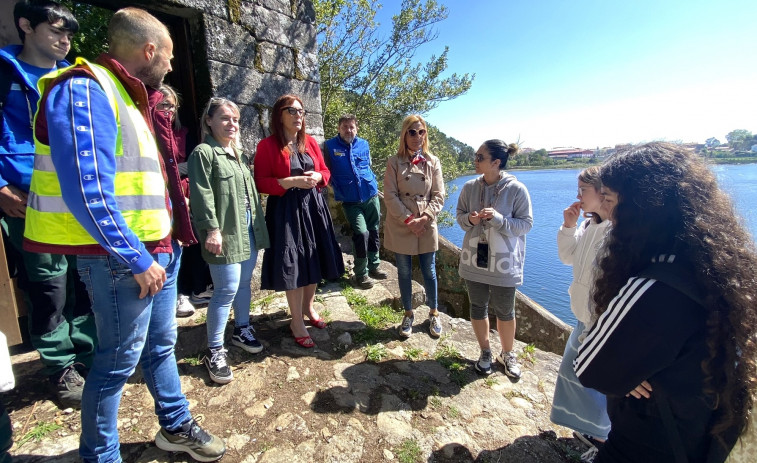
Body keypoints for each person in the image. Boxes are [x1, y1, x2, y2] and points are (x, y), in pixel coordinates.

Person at [24, 7, 225, 462]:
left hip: (157, 249)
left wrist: (165, 246)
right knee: (116, 362)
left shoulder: (131, 96)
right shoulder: (85, 88)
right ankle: (101, 455)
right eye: (169, 56)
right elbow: (87, 188)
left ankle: (175, 425)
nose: (173, 65)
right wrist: (136, 258)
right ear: (149, 50)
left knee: (161, 347)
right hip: (124, 259)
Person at [574, 142, 757, 462]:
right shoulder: (714, 269)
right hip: (696, 435)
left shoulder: (655, 286)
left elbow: (590, 367)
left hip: (643, 443)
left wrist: (623, 370)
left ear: (644, 208)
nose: (608, 213)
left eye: (612, 200)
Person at [0, 0, 95, 408]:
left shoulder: (74, 76)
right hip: (27, 199)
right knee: (49, 285)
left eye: (69, 34)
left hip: (76, 196)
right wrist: (0, 185)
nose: (65, 40)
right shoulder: (3, 73)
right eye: (56, 30)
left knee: (84, 278)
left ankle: (90, 353)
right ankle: (60, 368)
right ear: (25, 25)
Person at [189, 97, 270, 384]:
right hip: (224, 234)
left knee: (244, 284)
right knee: (225, 290)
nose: (232, 123)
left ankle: (242, 329)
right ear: (209, 121)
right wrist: (211, 230)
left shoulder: (239, 154)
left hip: (247, 231)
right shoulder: (204, 153)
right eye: (225, 118)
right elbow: (201, 195)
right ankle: (214, 350)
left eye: (235, 119)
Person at [254, 94, 344, 349]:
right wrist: (290, 182)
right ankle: (296, 321)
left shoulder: (311, 143)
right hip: (286, 210)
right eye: (291, 111)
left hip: (313, 207)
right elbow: (260, 182)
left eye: (301, 111)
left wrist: (317, 175)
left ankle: (308, 308)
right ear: (279, 115)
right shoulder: (268, 145)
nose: (298, 116)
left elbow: (325, 172)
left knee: (313, 257)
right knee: (293, 262)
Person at [455, 139, 532, 379]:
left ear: (496, 162)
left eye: (480, 157)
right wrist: (471, 219)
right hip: (474, 259)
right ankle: (485, 351)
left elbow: (526, 225)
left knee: (505, 311)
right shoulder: (469, 187)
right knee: (478, 306)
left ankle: (507, 354)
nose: (475, 161)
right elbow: (459, 217)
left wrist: (498, 219)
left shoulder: (517, 190)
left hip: (503, 263)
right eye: (476, 156)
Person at [550, 166, 611, 456]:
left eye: (583, 190)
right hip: (582, 318)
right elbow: (566, 257)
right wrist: (568, 226)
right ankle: (595, 434)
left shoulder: (616, 233)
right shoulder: (589, 226)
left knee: (596, 383)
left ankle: (603, 440)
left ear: (604, 193)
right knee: (574, 374)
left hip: (601, 323)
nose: (577, 196)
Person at [383, 114, 445, 339]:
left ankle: (434, 313)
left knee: (429, 271)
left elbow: (439, 195)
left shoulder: (433, 161)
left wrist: (425, 218)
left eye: (421, 132)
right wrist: (410, 220)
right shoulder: (393, 161)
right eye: (412, 132)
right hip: (402, 223)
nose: (417, 136)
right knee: (404, 271)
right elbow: (389, 196)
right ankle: (408, 313)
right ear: (404, 134)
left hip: (426, 223)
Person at [150, 83, 199, 318]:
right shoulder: (146, 132)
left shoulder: (182, 133)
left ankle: (183, 293)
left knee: (184, 244)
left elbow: (192, 162)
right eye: (163, 104)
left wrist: (170, 170)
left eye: (172, 106)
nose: (168, 110)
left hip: (182, 195)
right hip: (156, 198)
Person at [323, 114, 387, 289]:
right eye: (344, 127)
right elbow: (325, 171)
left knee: (373, 231)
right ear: (339, 128)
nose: (348, 130)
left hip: (371, 195)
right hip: (350, 201)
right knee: (361, 233)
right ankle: (361, 273)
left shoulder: (364, 144)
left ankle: (374, 266)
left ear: (356, 128)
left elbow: (368, 166)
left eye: (351, 127)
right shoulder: (329, 146)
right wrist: (334, 188)